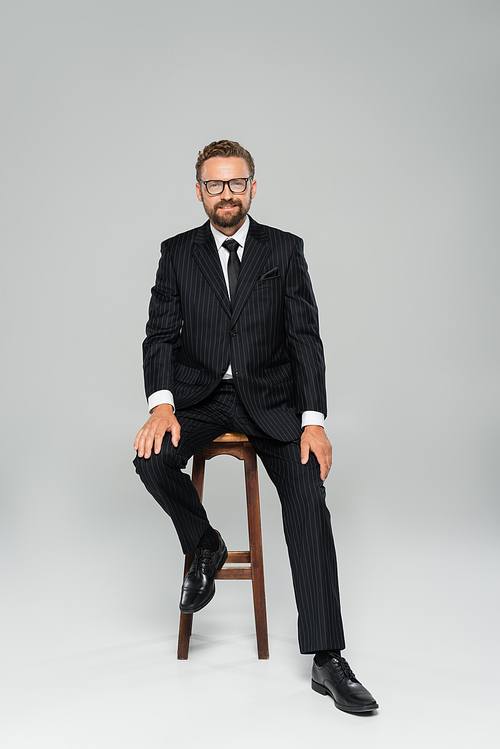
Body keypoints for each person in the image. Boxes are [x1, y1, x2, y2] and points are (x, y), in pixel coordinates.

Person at [133, 139, 378, 713]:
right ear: (199, 191)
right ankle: (205, 544)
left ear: (252, 187)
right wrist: (162, 404)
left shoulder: (284, 251)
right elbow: (159, 336)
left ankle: (327, 658)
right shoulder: (177, 254)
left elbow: (304, 340)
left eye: (235, 183)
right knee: (149, 458)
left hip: (271, 401)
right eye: (214, 184)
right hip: (198, 398)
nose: (226, 193)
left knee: (306, 495)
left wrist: (313, 421)